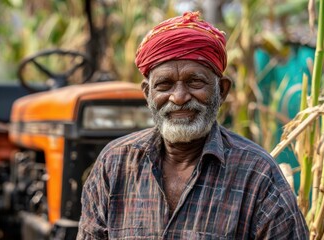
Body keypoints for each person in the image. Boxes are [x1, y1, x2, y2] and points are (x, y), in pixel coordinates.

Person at [77, 11, 309, 239]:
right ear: (148, 94)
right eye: (165, 85)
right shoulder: (114, 164)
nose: (179, 97)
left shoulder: (258, 175)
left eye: (195, 81)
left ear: (222, 90)